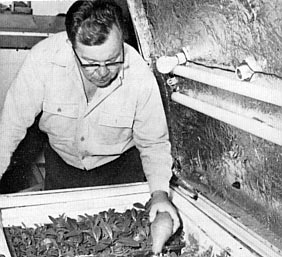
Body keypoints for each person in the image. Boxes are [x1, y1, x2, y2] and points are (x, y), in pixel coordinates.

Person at [0, 0, 180, 233]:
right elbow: (9, 130)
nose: (104, 72)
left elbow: (153, 143)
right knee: (61, 237)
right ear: (71, 46)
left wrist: (159, 194)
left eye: (113, 60)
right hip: (63, 169)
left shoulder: (139, 75)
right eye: (91, 64)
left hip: (120, 171)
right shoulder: (43, 61)